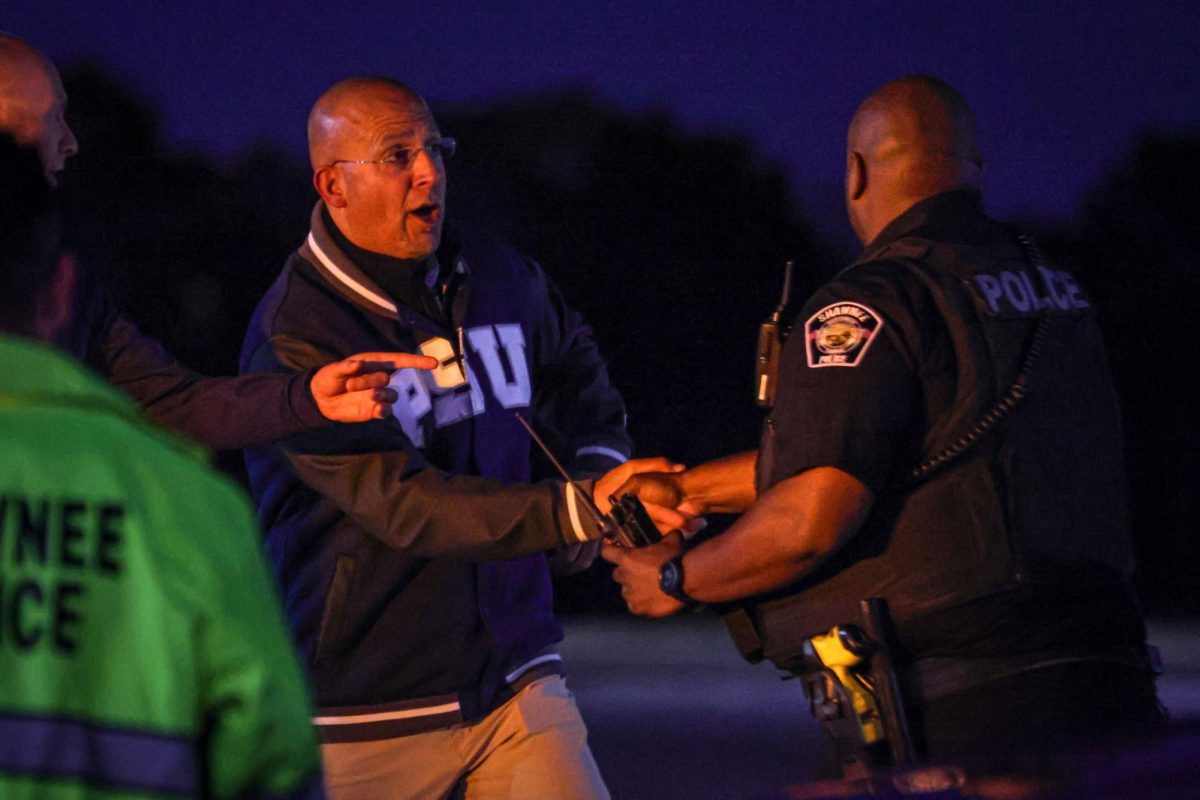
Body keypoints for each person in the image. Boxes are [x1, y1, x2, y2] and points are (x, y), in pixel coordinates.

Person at [602, 76, 1164, 772]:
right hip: (1110, 684)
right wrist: (690, 490)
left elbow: (810, 521)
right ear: (973, 166)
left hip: (968, 715)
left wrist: (678, 578)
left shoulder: (877, 299)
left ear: (857, 171)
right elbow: (904, 450)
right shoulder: (1053, 285)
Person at [242, 76, 666, 799]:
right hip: (361, 716)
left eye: (435, 146)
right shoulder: (296, 336)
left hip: (518, 683)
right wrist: (571, 510)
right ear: (333, 185)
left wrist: (595, 463)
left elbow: (575, 364)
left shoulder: (496, 273)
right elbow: (408, 505)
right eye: (398, 154)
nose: (430, 171)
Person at [0, 137, 325, 798]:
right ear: (62, 289)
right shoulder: (190, 505)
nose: (67, 142)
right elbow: (274, 755)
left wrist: (308, 394)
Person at [0, 32, 434, 449]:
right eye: (52, 118)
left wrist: (307, 398)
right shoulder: (58, 269)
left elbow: (170, 404)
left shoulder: (65, 279)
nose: (71, 142)